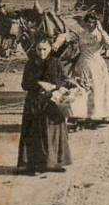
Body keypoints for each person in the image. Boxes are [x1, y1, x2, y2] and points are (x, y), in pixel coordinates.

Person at [17, 39, 72, 175]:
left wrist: (54, 86)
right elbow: (24, 84)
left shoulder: (55, 62)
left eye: (44, 49)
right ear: (35, 50)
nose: (42, 52)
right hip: (35, 102)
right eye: (39, 49)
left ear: (50, 49)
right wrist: (39, 84)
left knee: (54, 133)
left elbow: (65, 79)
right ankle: (35, 165)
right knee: (36, 134)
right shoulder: (31, 64)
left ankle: (54, 163)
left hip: (52, 102)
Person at [71, 12, 109, 126]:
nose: (90, 25)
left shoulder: (100, 33)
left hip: (96, 64)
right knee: (82, 89)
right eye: (88, 22)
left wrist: (101, 30)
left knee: (97, 89)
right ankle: (81, 115)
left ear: (96, 23)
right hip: (83, 63)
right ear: (85, 23)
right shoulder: (81, 33)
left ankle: (98, 115)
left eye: (93, 22)